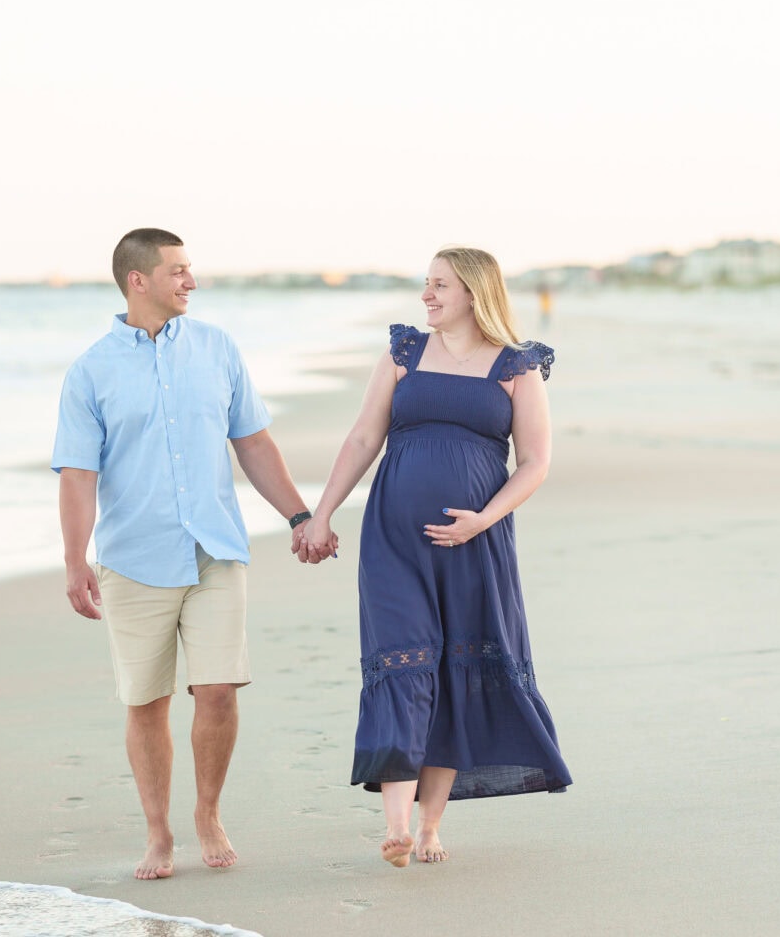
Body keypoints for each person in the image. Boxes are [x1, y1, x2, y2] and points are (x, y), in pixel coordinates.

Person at [53, 228, 331, 881]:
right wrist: (74, 562)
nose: (191, 282)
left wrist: (298, 514)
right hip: (133, 557)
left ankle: (208, 811)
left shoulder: (217, 349)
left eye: (190, 269)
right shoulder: (91, 370)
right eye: (177, 271)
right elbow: (77, 477)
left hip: (215, 550)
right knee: (146, 702)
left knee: (218, 690)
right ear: (137, 280)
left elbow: (254, 444)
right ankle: (158, 833)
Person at [300, 246, 571, 868]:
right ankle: (395, 825)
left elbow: (535, 462)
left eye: (439, 285)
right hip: (393, 539)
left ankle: (429, 827)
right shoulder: (402, 355)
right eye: (426, 284)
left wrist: (484, 519)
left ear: (474, 293)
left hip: (475, 544)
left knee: (452, 669)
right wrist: (322, 513)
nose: (426, 295)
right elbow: (365, 436)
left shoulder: (516, 368)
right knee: (401, 660)